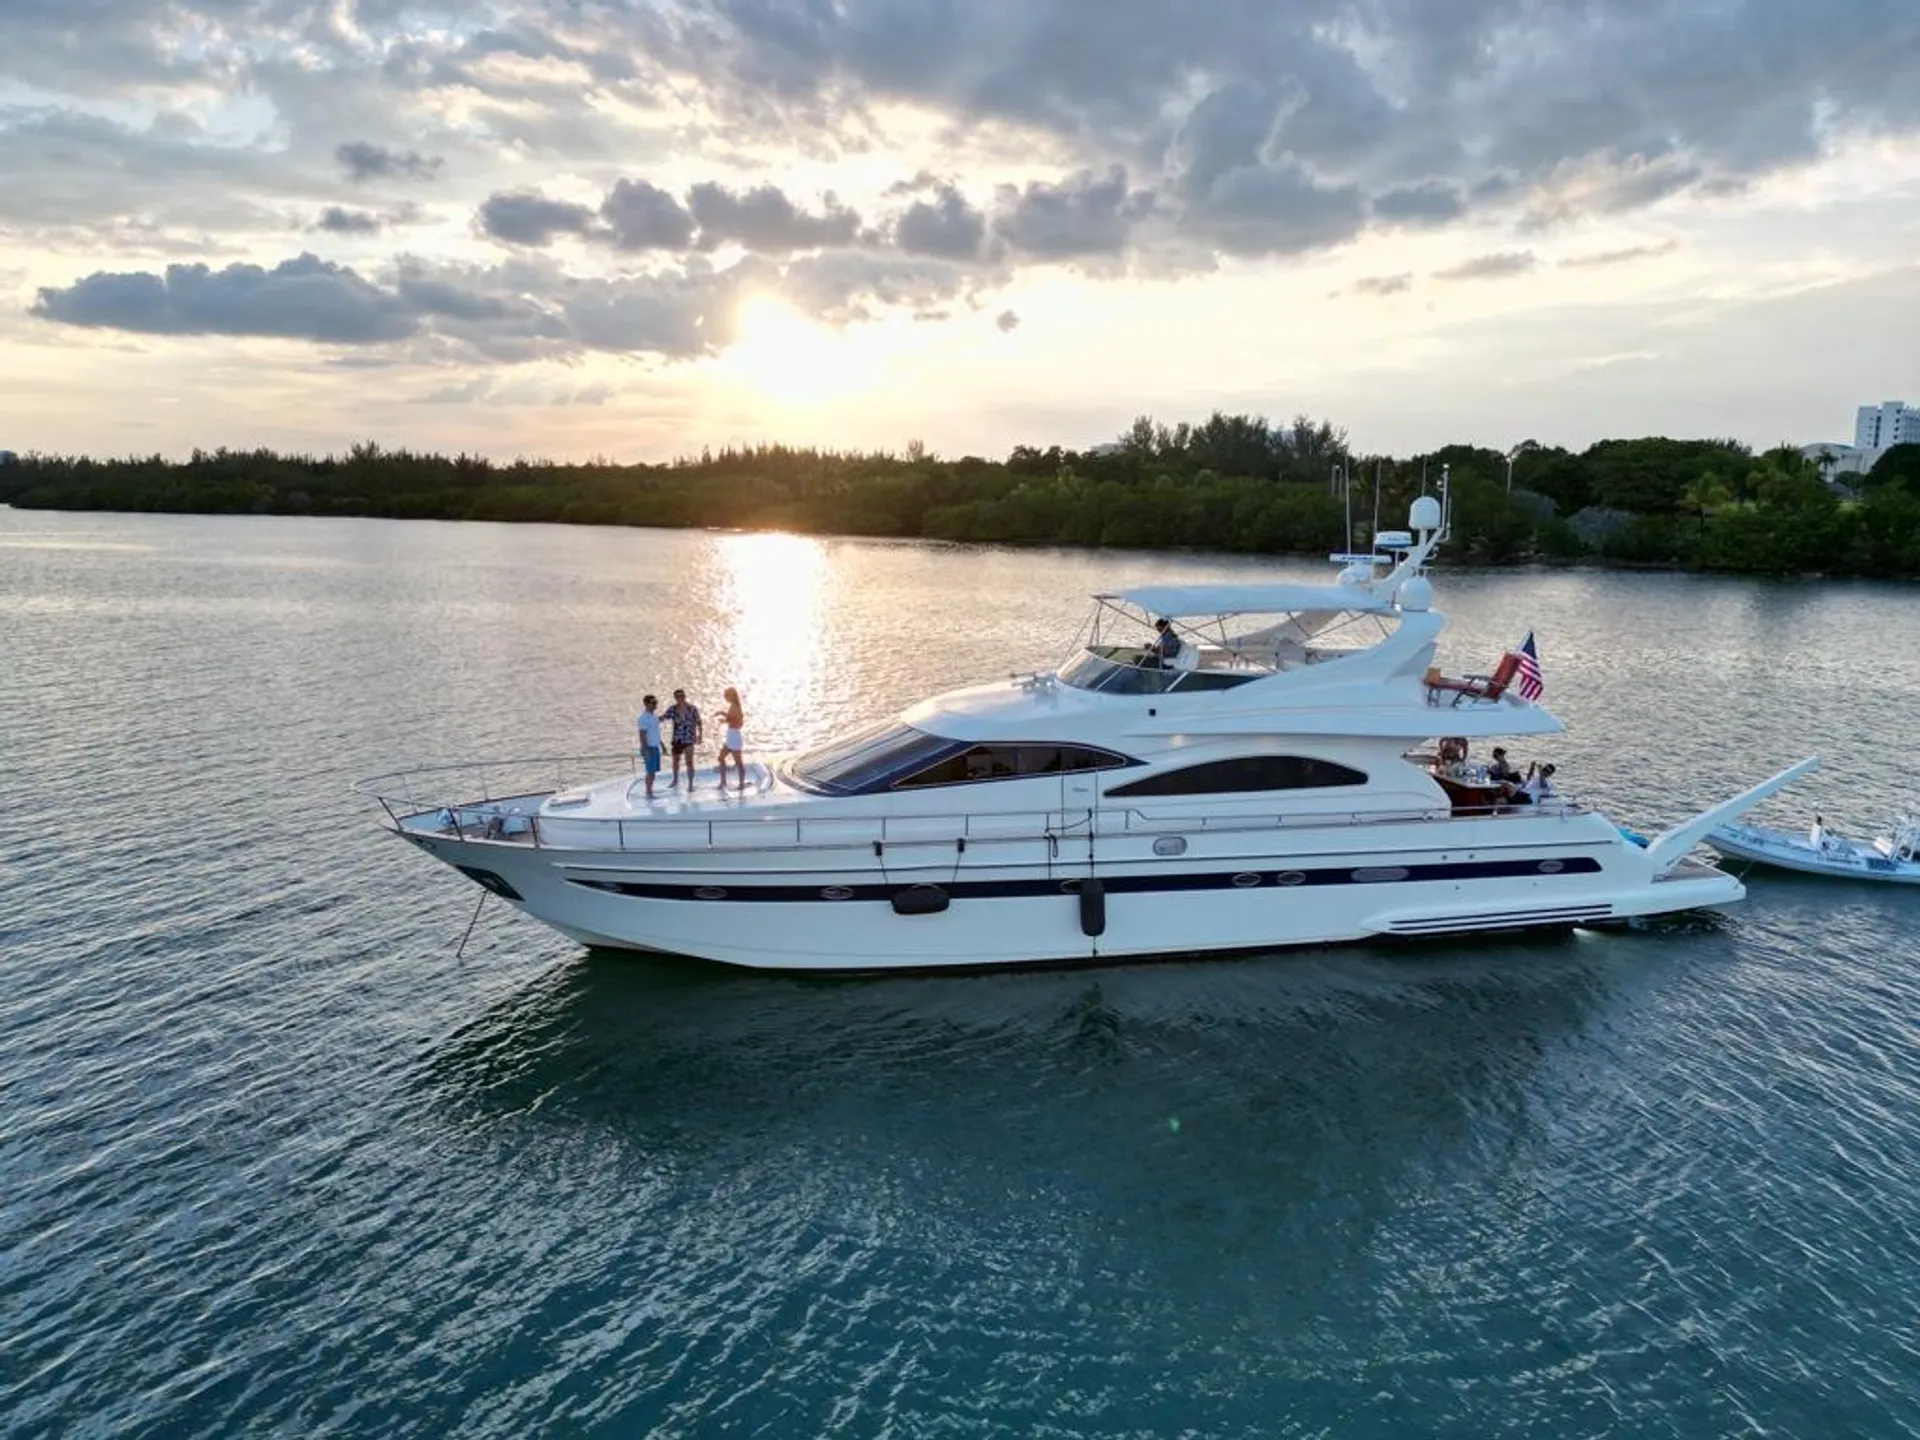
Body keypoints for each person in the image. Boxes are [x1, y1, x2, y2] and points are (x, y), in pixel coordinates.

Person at [663, 688, 703, 789]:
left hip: (689, 739)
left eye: (681, 696)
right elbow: (663, 717)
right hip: (677, 739)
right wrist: (650, 719)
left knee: (689, 762)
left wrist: (700, 736)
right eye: (677, 696)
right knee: (675, 761)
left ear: (684, 696)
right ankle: (675, 780)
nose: (679, 698)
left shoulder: (692, 709)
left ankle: (690, 784)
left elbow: (699, 722)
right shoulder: (673, 709)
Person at [717, 686, 746, 792]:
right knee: (721, 758)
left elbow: (738, 722)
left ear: (731, 696)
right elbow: (731, 718)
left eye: (726, 695)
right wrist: (722, 713)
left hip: (734, 737)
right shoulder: (733, 706)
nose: (724, 697)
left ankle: (741, 784)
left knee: (739, 762)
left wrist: (724, 720)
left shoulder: (735, 707)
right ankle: (723, 781)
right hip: (730, 737)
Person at [636, 694, 664, 799]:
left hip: (655, 747)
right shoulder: (643, 718)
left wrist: (662, 745)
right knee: (650, 772)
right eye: (653, 703)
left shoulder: (654, 717)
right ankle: (648, 792)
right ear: (646, 704)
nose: (655, 705)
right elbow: (642, 735)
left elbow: (655, 733)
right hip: (649, 748)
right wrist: (645, 749)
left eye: (656, 702)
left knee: (653, 772)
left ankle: (650, 789)